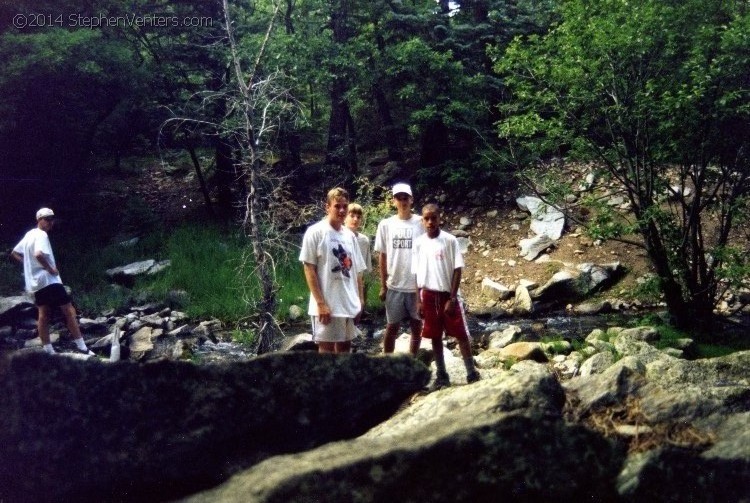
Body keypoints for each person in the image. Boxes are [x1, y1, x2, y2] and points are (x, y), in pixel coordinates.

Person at [11, 208, 95, 356]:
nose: (51, 222)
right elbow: (38, 254)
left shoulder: (29, 234)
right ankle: (82, 347)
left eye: (52, 219)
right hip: (49, 280)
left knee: (43, 314)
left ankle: (48, 350)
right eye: (47, 219)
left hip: (37, 283)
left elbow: (14, 253)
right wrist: (50, 269)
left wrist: (29, 266)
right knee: (69, 311)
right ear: (39, 220)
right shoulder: (42, 234)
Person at [412, 203, 480, 388]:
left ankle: (471, 372)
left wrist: (451, 298)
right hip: (428, 294)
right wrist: (418, 300)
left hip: (447, 294)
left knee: (460, 333)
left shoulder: (450, 240)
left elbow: (457, 269)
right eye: (426, 218)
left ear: (439, 218)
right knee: (434, 335)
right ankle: (442, 374)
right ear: (422, 221)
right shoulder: (418, 243)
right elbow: (415, 273)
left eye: (434, 218)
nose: (430, 222)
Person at [299, 188, 366, 354]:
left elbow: (356, 271)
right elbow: (309, 268)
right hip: (327, 304)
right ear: (327, 207)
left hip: (348, 303)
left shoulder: (350, 236)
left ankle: (342, 381)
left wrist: (360, 301)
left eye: (345, 206)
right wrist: (321, 304)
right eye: (337, 206)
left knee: (345, 349)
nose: (342, 210)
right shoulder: (315, 232)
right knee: (326, 351)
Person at [374, 182, 424, 355]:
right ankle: (387, 363)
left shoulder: (421, 222)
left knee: (417, 327)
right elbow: (382, 255)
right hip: (394, 284)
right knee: (391, 327)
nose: (402, 201)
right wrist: (383, 285)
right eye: (399, 198)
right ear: (393, 201)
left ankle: (413, 360)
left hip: (416, 286)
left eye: (405, 198)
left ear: (411, 200)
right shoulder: (385, 225)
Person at [345, 203, 372, 316]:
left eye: (358, 217)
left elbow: (364, 270)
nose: (355, 219)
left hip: (358, 283)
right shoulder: (338, 236)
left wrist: (362, 298)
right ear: (345, 217)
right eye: (352, 216)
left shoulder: (364, 240)